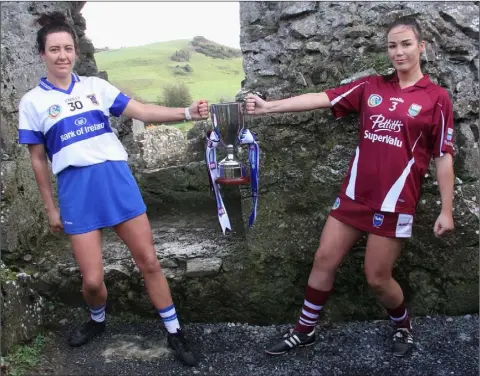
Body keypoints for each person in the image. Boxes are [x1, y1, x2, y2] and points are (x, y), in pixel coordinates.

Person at [245, 17, 455, 358]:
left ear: (421, 47)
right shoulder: (372, 86)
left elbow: (443, 156)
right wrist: (270, 107)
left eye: (405, 44)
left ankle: (403, 326)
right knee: (323, 259)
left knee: (377, 278)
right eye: (392, 46)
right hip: (354, 196)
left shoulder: (436, 98)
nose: (398, 52)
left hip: (395, 202)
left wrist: (447, 210)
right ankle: (305, 330)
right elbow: (321, 98)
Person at [18, 11, 209, 367]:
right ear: (42, 54)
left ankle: (174, 332)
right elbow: (38, 160)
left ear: (75, 51)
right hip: (76, 189)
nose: (63, 55)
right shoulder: (32, 103)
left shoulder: (96, 87)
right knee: (91, 281)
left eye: (68, 48)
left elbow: (142, 111)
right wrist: (50, 208)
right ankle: (97, 319)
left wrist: (187, 112)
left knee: (149, 261)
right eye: (55, 49)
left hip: (115, 181)